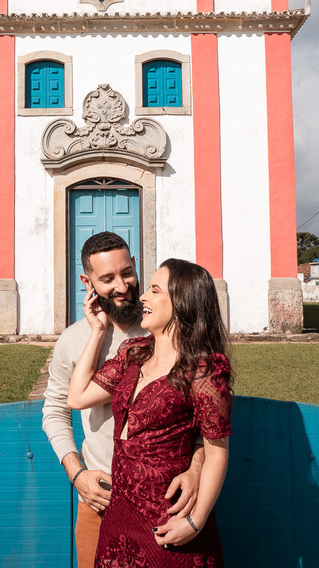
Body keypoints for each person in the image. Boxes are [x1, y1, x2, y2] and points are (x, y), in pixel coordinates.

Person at [42, 233, 203, 568]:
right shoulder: (73, 340)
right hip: (100, 497)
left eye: (127, 273)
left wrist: (195, 470)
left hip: (167, 500)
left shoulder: (168, 331)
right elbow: (57, 409)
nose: (122, 286)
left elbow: (206, 419)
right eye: (107, 279)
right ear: (87, 282)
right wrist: (77, 474)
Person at [68, 258, 232, 566]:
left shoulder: (203, 370)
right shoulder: (135, 353)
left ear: (182, 301)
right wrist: (97, 329)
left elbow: (217, 452)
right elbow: (77, 397)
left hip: (168, 517)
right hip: (119, 516)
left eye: (155, 290)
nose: (143, 296)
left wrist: (195, 521)